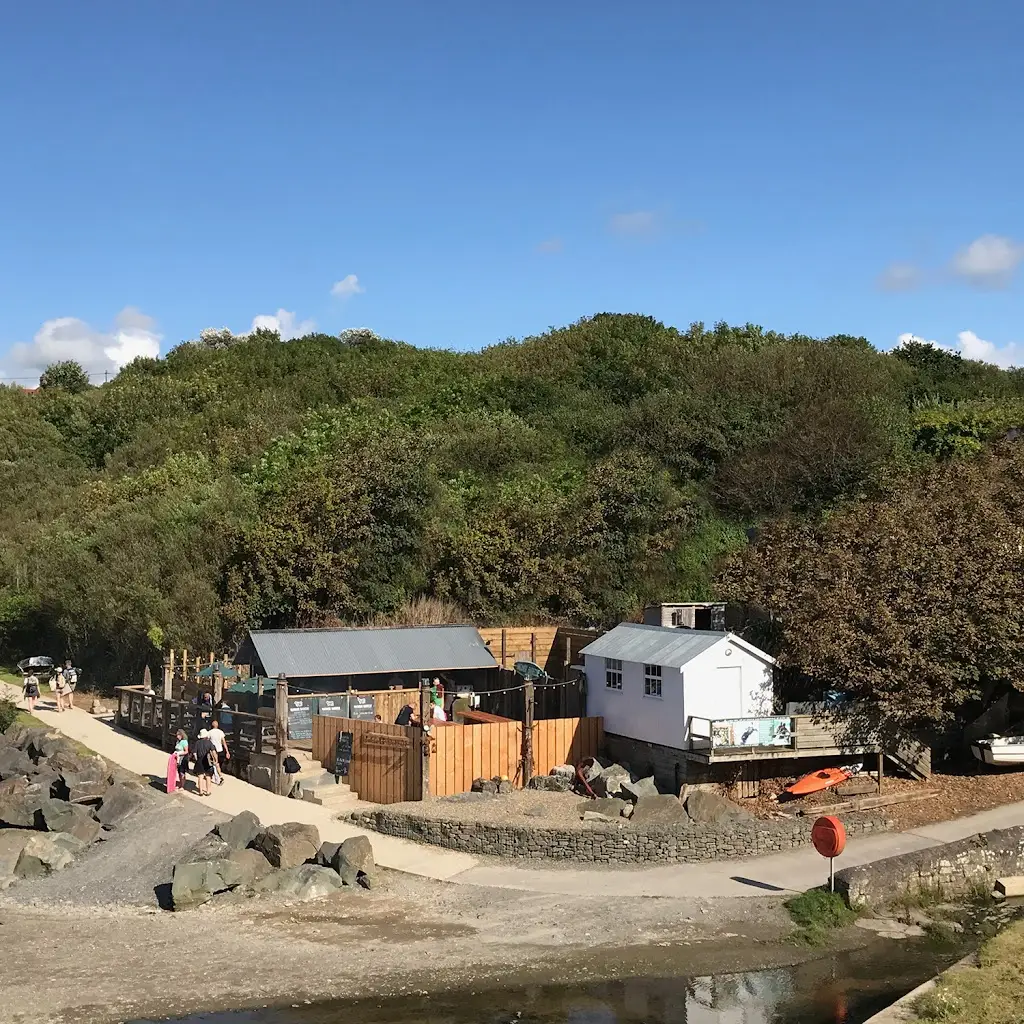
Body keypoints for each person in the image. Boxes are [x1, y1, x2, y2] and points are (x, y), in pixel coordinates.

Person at [192, 728, 217, 797]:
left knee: (200, 776)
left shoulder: (197, 743)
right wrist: (215, 760)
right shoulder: (209, 743)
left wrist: (197, 760)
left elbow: (194, 753)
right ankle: (208, 791)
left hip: (200, 760)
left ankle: (200, 791)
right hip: (207, 760)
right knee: (208, 776)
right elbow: (213, 752)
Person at [207, 718, 230, 783]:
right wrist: (227, 751)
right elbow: (224, 742)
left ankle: (217, 777)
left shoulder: (209, 732)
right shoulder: (221, 732)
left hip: (212, 750)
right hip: (220, 749)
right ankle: (217, 776)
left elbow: (207, 741)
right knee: (217, 763)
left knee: (215, 763)